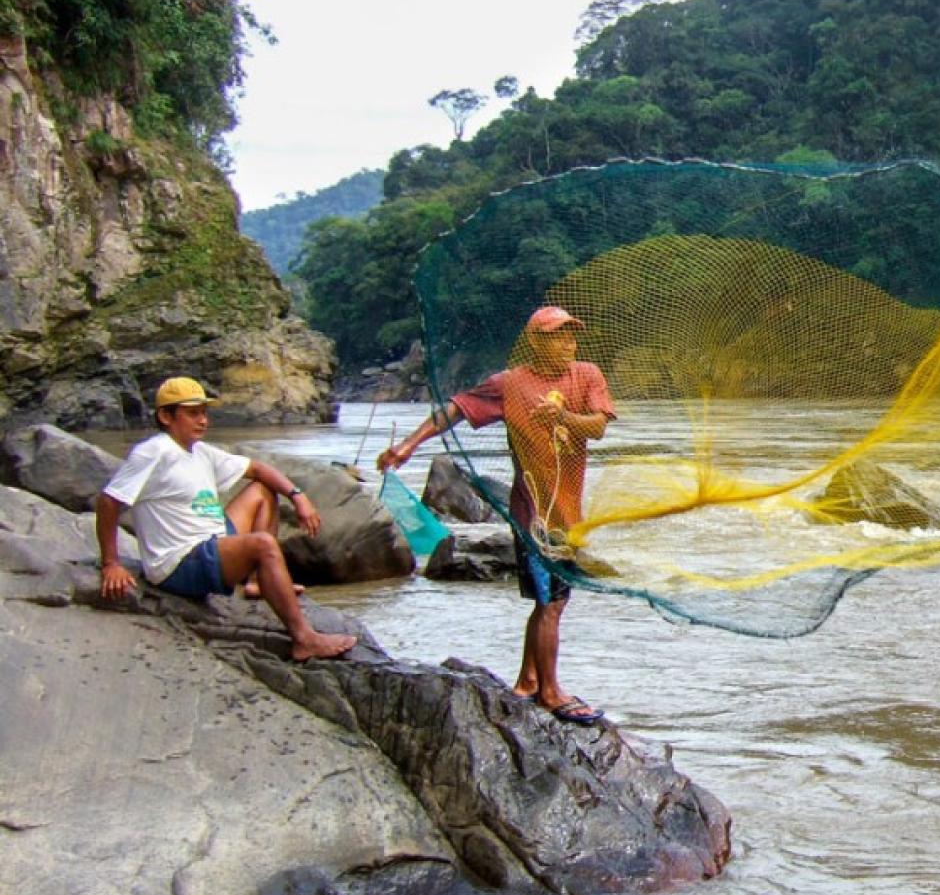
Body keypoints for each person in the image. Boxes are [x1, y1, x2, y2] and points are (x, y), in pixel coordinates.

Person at [378, 305, 615, 724]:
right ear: (536, 343)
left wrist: (562, 417)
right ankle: (552, 692)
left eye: (570, 336)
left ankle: (527, 680)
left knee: (552, 601)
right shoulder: (510, 384)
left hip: (567, 513)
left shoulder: (586, 375)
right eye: (558, 337)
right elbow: (454, 409)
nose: (568, 343)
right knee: (551, 602)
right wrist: (408, 446)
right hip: (532, 515)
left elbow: (597, 426)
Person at [96, 377, 357, 662]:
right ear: (165, 416)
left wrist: (298, 496)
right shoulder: (154, 452)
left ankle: (258, 582)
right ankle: (304, 639)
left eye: (204, 413)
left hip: (212, 540)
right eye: (193, 413)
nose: (203, 421)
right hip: (180, 561)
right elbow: (109, 501)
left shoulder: (200, 452)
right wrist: (111, 563)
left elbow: (257, 468)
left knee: (262, 490)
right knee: (262, 545)